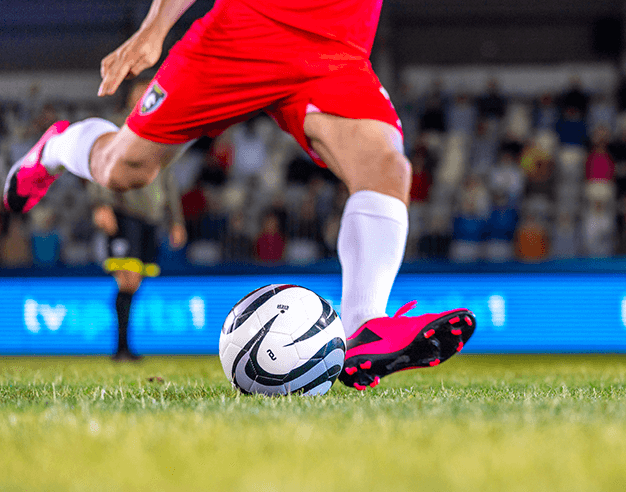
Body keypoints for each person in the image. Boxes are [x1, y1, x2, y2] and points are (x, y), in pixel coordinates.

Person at [4, 0, 475, 390]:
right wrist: (155, 28)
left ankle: (366, 325)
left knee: (386, 166)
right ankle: (61, 144)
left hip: (334, 48)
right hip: (247, 32)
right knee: (124, 169)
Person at [91, 165, 186, 361]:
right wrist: (101, 204)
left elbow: (169, 182)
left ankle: (123, 348)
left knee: (133, 284)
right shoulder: (127, 136)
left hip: (152, 219)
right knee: (127, 280)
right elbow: (104, 164)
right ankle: (121, 348)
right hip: (125, 214)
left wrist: (176, 221)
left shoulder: (163, 148)